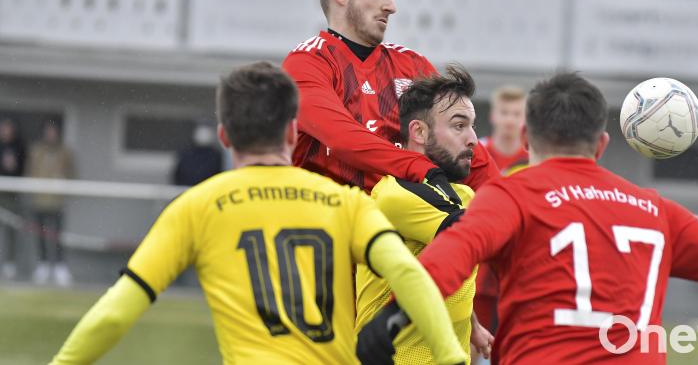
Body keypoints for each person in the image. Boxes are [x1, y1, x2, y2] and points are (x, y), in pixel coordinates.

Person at [368, 73, 698, 364]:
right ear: (601, 144)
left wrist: (395, 316)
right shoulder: (656, 210)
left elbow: (454, 253)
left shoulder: (512, 195)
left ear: (525, 138)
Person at [49, 62, 467, 365]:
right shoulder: (347, 202)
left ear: (224, 136)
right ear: (291, 132)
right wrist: (450, 356)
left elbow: (116, 310)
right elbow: (410, 277)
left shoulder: (197, 207)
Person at [282, 0, 498, 200]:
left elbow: (458, 140)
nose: (391, 6)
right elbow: (341, 137)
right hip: (330, 218)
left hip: (407, 217)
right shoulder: (308, 62)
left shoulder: (413, 64)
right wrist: (420, 168)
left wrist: (507, 204)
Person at [355, 65, 494, 364]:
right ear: (418, 131)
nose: (472, 139)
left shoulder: (464, 195)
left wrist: (473, 324)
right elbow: (466, 233)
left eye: (472, 126)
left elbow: (443, 268)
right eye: (459, 126)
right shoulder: (396, 195)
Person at [473, 86, 529, 352]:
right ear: (493, 115)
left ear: (525, 119)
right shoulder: (475, 151)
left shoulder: (534, 158)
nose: (509, 119)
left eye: (516, 114)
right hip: (479, 266)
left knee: (513, 349)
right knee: (471, 344)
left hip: (518, 269)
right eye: (504, 112)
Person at [26, 122, 75, 287]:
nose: (51, 135)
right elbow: (31, 171)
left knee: (57, 235)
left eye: (53, 132)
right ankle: (43, 265)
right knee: (40, 234)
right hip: (40, 200)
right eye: (48, 132)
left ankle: (60, 267)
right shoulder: (37, 151)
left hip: (57, 201)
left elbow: (72, 174)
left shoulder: (65, 152)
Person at [0, 117, 26, 280]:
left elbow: (21, 168)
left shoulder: (19, 146)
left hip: (11, 195)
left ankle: (9, 264)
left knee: (11, 228)